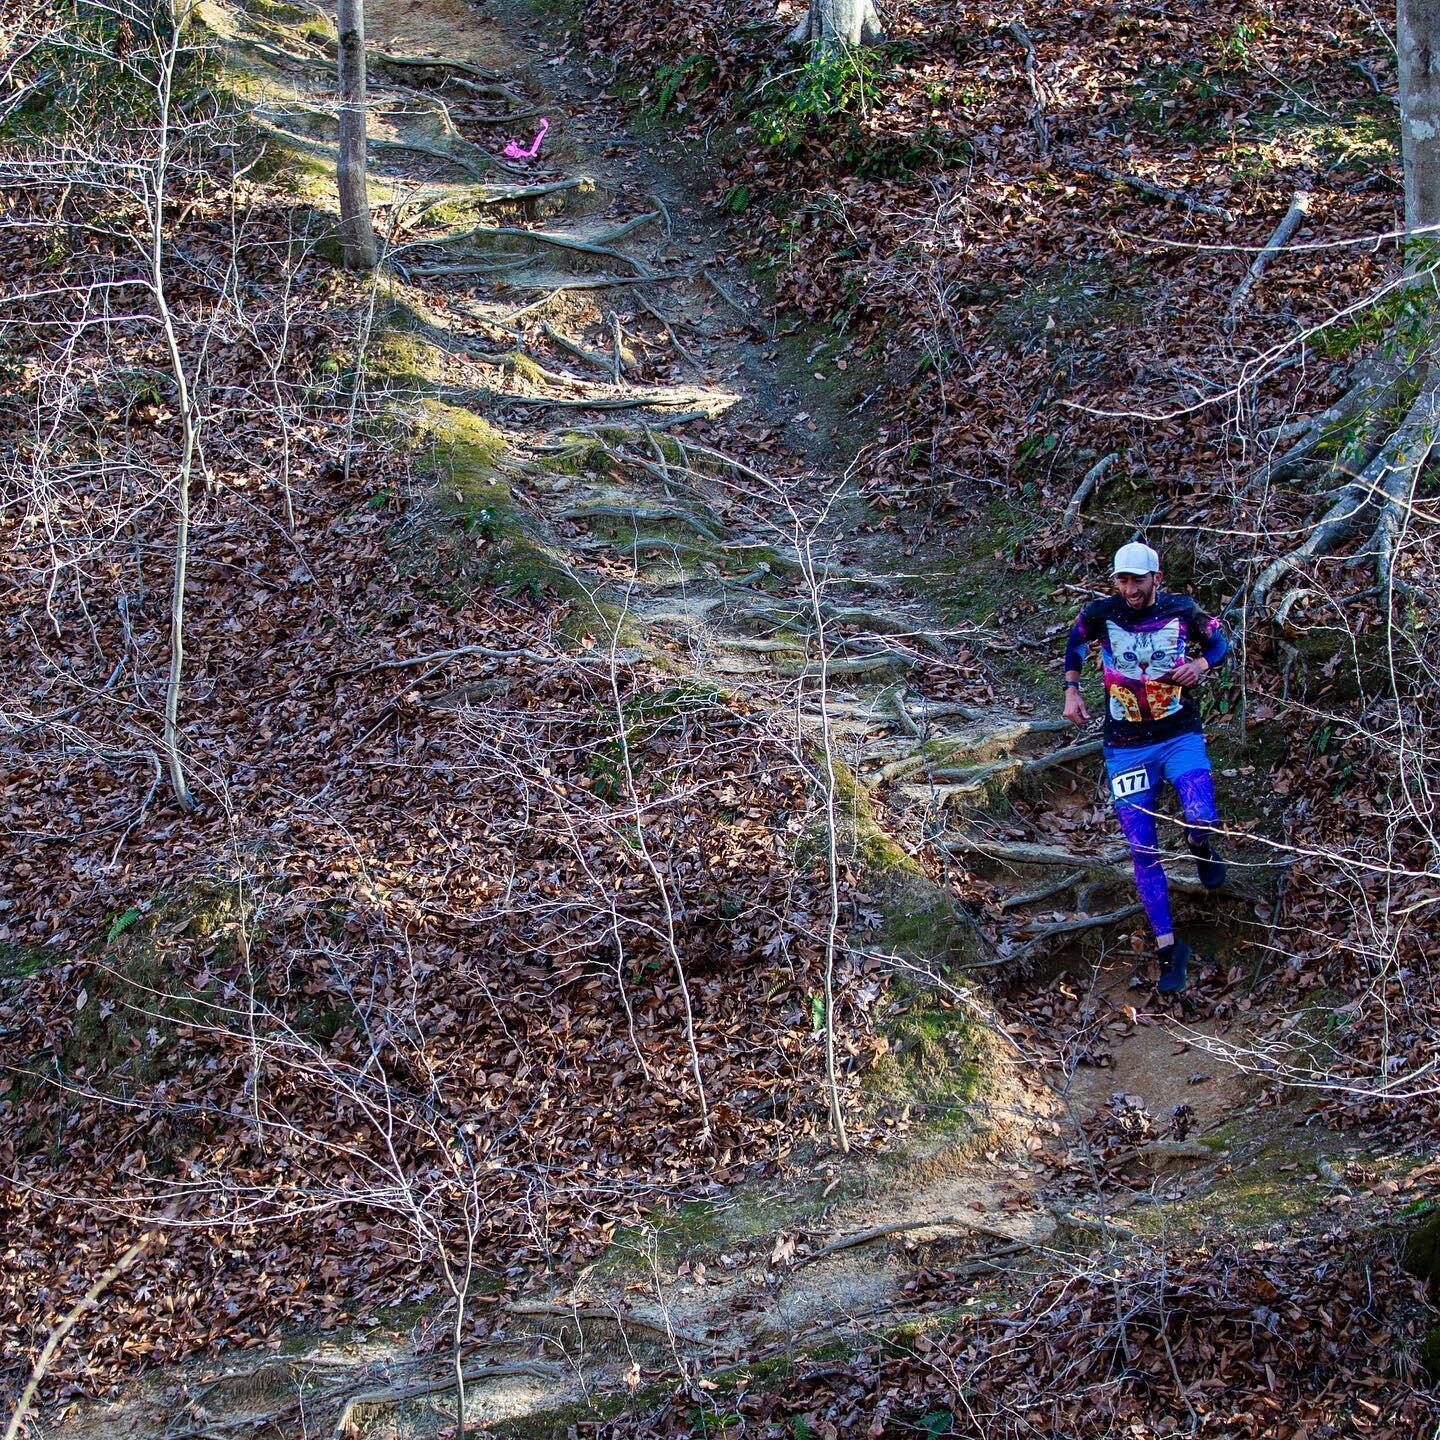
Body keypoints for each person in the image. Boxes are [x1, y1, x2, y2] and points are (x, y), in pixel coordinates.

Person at [1062, 542, 1229, 994]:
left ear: (1157, 578)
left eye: (1138, 579)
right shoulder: (1100, 613)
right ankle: (1169, 950)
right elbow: (1075, 643)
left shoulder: (1182, 610)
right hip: (1125, 748)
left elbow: (1220, 643)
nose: (1130, 588)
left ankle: (1201, 846)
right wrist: (1072, 690)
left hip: (1179, 736)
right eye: (1123, 579)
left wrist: (1199, 663)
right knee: (1142, 849)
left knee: (1201, 815)